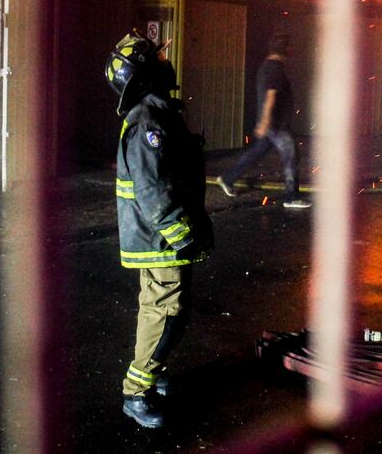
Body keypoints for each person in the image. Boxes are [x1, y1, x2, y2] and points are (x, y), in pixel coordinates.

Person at [104, 32, 213, 428]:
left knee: (170, 309)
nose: (167, 62)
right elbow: (152, 191)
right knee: (165, 310)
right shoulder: (147, 123)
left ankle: (154, 370)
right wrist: (179, 231)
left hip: (161, 235)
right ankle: (137, 393)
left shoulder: (157, 113)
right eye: (159, 59)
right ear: (146, 74)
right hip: (159, 238)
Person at [216, 33, 311, 209]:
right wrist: (265, 122)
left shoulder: (267, 66)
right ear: (284, 49)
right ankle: (292, 197)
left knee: (256, 152)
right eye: (290, 47)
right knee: (291, 157)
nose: (292, 51)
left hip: (271, 125)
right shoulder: (275, 68)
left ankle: (228, 178)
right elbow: (270, 97)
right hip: (276, 125)